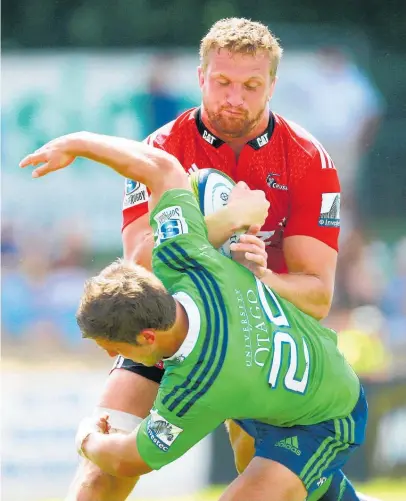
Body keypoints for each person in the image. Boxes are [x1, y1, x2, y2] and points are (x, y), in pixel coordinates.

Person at [40, 17, 342, 501]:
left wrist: (258, 277)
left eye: (251, 86)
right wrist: (222, 222)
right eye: (222, 82)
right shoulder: (162, 148)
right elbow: (140, 267)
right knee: (100, 477)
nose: (234, 98)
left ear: (272, 87)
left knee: (256, 483)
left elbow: (318, 296)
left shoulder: (307, 160)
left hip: (256, 339)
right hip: (168, 326)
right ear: (201, 77)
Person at [21, 131, 367, 501]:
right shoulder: (185, 254)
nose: (111, 357)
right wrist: (78, 143)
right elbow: (162, 167)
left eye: (113, 348)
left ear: (148, 337)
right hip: (271, 385)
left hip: (322, 418)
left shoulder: (197, 387)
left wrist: (86, 438)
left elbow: (130, 459)